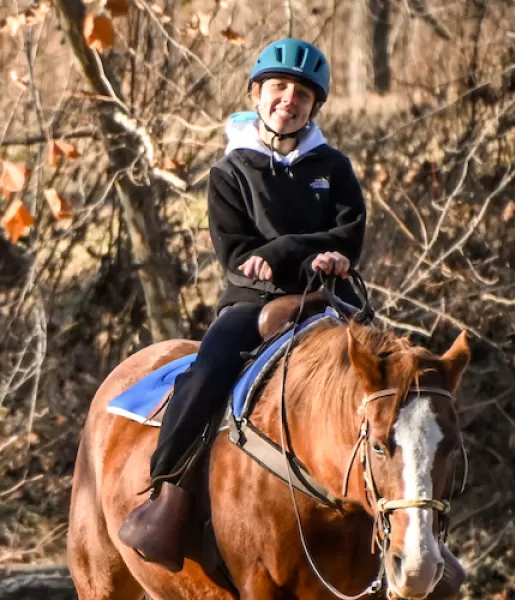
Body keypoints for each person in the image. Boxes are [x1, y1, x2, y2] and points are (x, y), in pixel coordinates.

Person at [117, 38, 367, 568]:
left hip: (330, 298)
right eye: (278, 88)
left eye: (302, 93)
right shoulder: (229, 173)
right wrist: (301, 253)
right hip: (255, 304)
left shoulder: (334, 167)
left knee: (401, 385)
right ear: (256, 93)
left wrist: (287, 253)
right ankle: (168, 494)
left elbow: (348, 237)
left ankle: (413, 525)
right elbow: (236, 252)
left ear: (313, 107)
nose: (289, 99)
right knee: (206, 373)